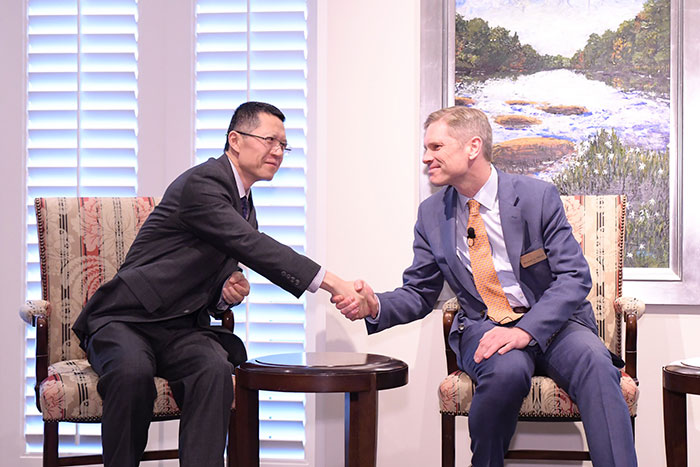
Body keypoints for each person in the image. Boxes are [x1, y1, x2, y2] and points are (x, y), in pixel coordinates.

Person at [333, 106, 637, 466]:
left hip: (555, 324)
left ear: (472, 147)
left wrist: (526, 331)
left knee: (595, 364)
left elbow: (574, 277)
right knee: (506, 373)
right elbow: (419, 292)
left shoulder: (537, 197)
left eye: (436, 147)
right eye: (426, 148)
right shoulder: (432, 214)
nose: (426, 157)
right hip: (486, 324)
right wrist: (375, 306)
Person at [73, 101, 366, 467]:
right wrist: (332, 282)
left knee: (213, 368)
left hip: (178, 329)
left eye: (283, 145)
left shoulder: (243, 203)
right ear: (236, 140)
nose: (278, 151)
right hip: (125, 319)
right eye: (270, 140)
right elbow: (252, 247)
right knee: (133, 373)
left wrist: (223, 297)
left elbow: (212, 275)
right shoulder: (203, 183)